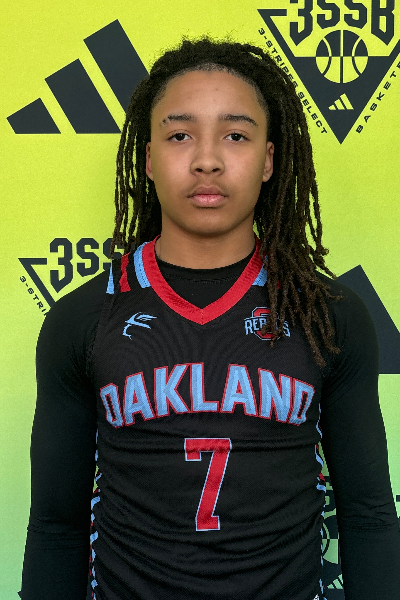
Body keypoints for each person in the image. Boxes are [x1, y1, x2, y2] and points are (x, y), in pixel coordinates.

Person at [20, 37, 400, 600]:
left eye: (235, 135)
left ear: (269, 160)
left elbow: (368, 515)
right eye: (180, 135)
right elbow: (57, 527)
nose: (207, 159)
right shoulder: (85, 317)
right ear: (148, 159)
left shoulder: (327, 314)